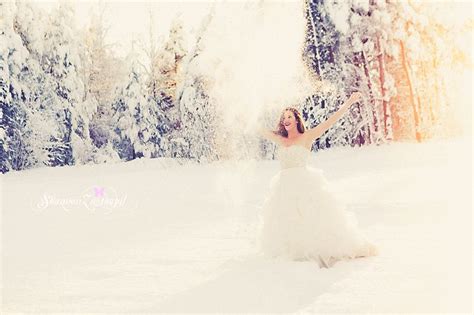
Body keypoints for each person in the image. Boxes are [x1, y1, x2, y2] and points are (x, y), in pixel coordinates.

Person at [257, 92, 379, 268]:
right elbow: (257, 128)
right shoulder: (280, 139)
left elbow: (331, 121)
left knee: (311, 216)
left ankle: (319, 250)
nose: (286, 119)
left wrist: (349, 102)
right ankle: (294, 250)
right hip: (284, 186)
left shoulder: (307, 136)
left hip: (304, 183)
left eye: (289, 116)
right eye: (284, 117)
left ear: (297, 120)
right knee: (288, 218)